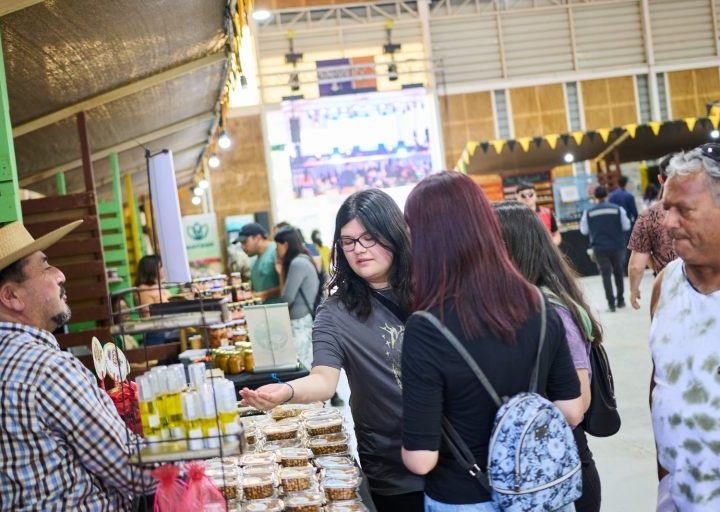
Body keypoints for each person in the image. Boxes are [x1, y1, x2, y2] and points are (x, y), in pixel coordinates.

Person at [400, 172, 583, 511]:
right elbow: (571, 411)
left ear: (428, 239)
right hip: (539, 495)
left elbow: (421, 459)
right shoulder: (539, 304)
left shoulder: (426, 328)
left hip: (466, 498)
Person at [240, 189, 424, 511]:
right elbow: (324, 379)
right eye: (348, 241)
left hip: (453, 455)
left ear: (394, 234)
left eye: (369, 237)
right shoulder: (336, 311)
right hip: (392, 466)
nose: (359, 250)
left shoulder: (431, 289)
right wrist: (284, 391)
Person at [0, 220, 155, 509]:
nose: (60, 275)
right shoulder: (46, 369)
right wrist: (196, 446)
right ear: (11, 296)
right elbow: (134, 470)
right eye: (45, 266)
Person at [494, 200, 603, 512]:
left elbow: (578, 404)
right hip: (540, 466)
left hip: (559, 470)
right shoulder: (523, 304)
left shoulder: (551, 309)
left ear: (512, 247)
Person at [649, 144, 720, 512]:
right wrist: (665, 480)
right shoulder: (665, 284)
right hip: (680, 495)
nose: (668, 222)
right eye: (666, 209)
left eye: (684, 210)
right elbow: (660, 383)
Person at [628, 154, 677, 310]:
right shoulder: (709, 207)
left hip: (670, 289)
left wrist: (633, 290)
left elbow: (636, 265)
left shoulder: (648, 216)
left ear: (660, 179)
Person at [273, 226, 320, 370]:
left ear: (286, 245)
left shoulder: (297, 263)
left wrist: (280, 273)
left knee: (302, 367)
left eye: (277, 246)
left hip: (299, 323)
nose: (276, 250)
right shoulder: (305, 258)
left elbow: (287, 298)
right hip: (304, 320)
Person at [580, 185, 631, 312]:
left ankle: (611, 304)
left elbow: (584, 230)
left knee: (605, 274)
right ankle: (620, 300)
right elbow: (626, 226)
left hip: (599, 247)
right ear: (607, 195)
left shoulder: (588, 212)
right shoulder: (618, 209)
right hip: (617, 246)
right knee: (618, 272)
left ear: (595, 197)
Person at [135, 255, 176, 345]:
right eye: (161, 266)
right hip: (157, 334)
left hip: (166, 330)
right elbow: (148, 316)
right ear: (152, 269)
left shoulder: (160, 287)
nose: (164, 269)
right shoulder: (143, 289)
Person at [236, 222, 281, 303]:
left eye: (245, 242)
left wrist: (266, 294)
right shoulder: (253, 260)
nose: (242, 247)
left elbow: (289, 285)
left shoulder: (276, 252)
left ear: (257, 238)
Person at [515, 181, 562, 246]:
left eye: (530, 194)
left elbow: (556, 234)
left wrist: (551, 246)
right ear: (517, 197)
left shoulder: (547, 212)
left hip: (547, 253)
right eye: (523, 195)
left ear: (535, 195)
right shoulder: (514, 216)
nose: (527, 198)